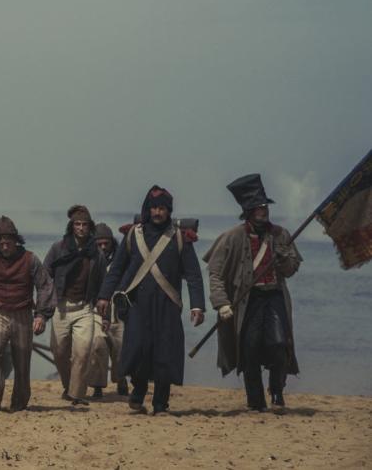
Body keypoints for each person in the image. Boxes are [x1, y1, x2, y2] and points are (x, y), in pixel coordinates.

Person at [97, 185, 206, 415]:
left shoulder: (178, 238)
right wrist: (104, 296)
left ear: (169, 210)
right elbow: (116, 269)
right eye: (154, 208)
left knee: (165, 353)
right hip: (137, 304)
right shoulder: (133, 236)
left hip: (168, 305)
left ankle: (160, 404)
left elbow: (194, 274)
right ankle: (138, 390)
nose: (158, 213)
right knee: (137, 350)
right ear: (148, 209)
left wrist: (197, 305)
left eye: (162, 208)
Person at [205, 174, 302, 411]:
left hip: (274, 296)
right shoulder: (232, 237)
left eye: (264, 206)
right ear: (248, 211)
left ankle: (277, 389)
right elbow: (215, 274)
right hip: (248, 301)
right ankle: (255, 402)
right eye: (258, 207)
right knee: (248, 350)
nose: (263, 211)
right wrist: (222, 303)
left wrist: (281, 261)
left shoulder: (281, 234)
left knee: (279, 344)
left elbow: (292, 269)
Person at [0, 216, 54, 413]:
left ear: (16, 240)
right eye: (0, 242)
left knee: (22, 359)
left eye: (8, 241)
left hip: (23, 313)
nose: (4, 246)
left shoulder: (30, 259)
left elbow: (45, 286)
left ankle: (19, 402)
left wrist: (41, 315)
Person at [43, 204, 106, 406]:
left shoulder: (97, 253)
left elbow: (104, 285)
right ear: (72, 226)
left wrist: (105, 314)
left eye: (84, 224)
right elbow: (44, 277)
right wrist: (42, 308)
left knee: (82, 352)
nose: (81, 228)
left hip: (85, 308)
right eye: (77, 224)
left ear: (90, 227)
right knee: (59, 351)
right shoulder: (58, 248)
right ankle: (69, 386)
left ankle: (76, 395)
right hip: (61, 308)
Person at [87, 222, 127, 397]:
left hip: (118, 311)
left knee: (120, 348)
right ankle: (97, 386)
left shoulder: (122, 259)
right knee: (98, 345)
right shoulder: (90, 260)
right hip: (96, 310)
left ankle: (121, 379)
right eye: (99, 244)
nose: (103, 247)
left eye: (106, 243)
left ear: (112, 242)